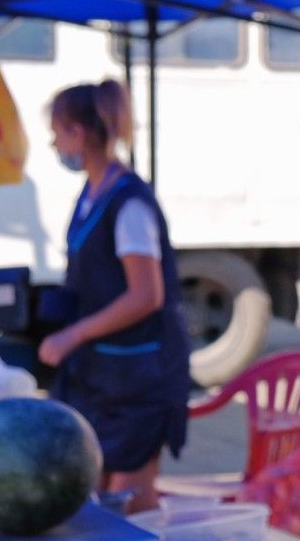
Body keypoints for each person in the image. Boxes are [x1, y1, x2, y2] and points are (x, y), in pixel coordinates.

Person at [37, 80, 190, 513]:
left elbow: (146, 295)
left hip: (141, 376)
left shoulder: (129, 205)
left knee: (130, 503)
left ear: (78, 134)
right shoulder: (92, 195)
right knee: (99, 495)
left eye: (56, 132)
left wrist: (74, 335)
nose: (53, 143)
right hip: (102, 376)